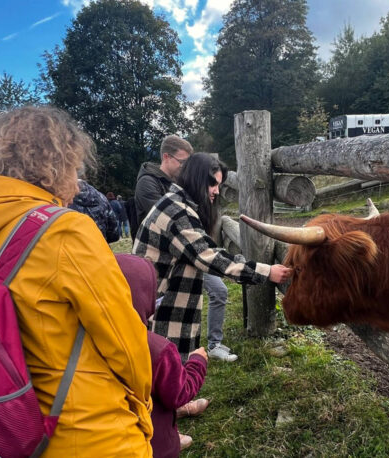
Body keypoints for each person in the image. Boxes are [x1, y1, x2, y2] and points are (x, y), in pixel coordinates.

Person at [0, 106, 153, 456]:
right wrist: (144, 408)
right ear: (57, 165)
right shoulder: (64, 230)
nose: (77, 183)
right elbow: (124, 342)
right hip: (87, 433)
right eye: (75, 168)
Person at [133, 153, 292, 361]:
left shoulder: (175, 203)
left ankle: (181, 392)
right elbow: (209, 257)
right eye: (214, 184)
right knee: (165, 367)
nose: (217, 191)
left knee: (168, 368)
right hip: (161, 313)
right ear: (198, 180)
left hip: (160, 304)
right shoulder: (177, 213)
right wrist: (266, 271)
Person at [134, 137, 238, 361]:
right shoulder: (149, 185)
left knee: (216, 291)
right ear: (166, 157)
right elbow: (176, 226)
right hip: (161, 261)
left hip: (187, 253)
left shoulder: (183, 191)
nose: (185, 168)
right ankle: (168, 362)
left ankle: (210, 345)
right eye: (182, 163)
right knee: (163, 311)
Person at [117, 254, 207, 456]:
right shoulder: (155, 348)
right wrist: (197, 362)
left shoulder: (85, 340)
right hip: (156, 446)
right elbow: (179, 391)